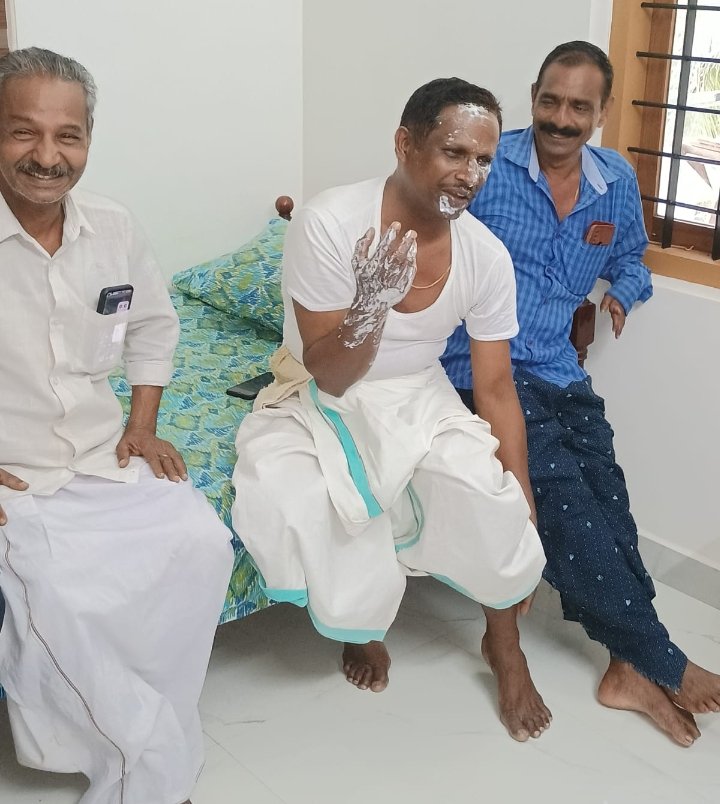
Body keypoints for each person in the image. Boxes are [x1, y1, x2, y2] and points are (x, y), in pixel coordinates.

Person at [232, 78, 552, 742]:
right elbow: (331, 372)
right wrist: (372, 304)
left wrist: (519, 487)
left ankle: (505, 648)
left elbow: (495, 387)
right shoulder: (329, 222)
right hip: (323, 387)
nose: (470, 175)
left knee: (490, 498)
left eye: (484, 160)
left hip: (420, 393)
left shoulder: (485, 256)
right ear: (406, 144)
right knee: (322, 500)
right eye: (454, 152)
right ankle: (364, 627)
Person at [442, 40, 720, 747]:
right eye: (549, 101)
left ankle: (626, 667)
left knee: (609, 498)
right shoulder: (487, 166)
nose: (560, 119)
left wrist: (622, 291)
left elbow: (629, 254)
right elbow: (429, 235)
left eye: (578, 106)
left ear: (600, 112)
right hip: (481, 366)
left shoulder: (614, 180)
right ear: (533, 97)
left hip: (560, 369)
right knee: (565, 500)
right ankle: (662, 658)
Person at [0, 48, 234, 803]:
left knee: (202, 545)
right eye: (23, 132)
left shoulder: (112, 226)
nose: (47, 156)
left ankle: (151, 722)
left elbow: (154, 326)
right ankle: (142, 763)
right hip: (17, 473)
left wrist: (144, 422)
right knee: (55, 595)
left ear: (89, 139)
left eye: (68, 135)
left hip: (103, 452)